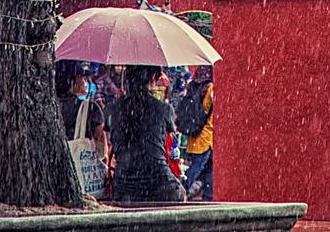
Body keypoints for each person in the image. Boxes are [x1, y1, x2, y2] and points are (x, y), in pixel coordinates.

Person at [105, 65, 186, 204]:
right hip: (161, 184)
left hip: (124, 185)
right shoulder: (164, 109)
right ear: (153, 78)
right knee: (181, 194)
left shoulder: (113, 108)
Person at [55, 60, 105, 146]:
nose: (85, 80)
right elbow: (100, 141)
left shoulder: (51, 108)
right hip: (81, 157)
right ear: (70, 81)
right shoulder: (90, 108)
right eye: (82, 76)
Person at [182, 65, 213, 200]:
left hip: (195, 135)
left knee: (208, 170)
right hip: (206, 136)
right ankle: (180, 191)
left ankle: (208, 198)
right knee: (195, 171)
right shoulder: (210, 88)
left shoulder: (195, 86)